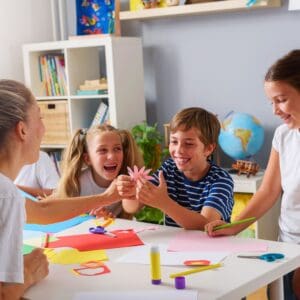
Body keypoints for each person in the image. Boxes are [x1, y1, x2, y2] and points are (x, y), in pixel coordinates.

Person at [0, 79, 123, 299]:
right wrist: (28, 273)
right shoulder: (5, 193)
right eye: (40, 117)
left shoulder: (7, 192)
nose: (44, 128)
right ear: (22, 130)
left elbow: (43, 210)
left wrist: (106, 197)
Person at [205, 50, 300, 299]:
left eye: (281, 99)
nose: (275, 110)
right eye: (271, 102)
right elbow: (268, 191)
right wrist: (232, 227)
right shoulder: (284, 135)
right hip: (287, 246)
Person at [119, 107, 234, 230]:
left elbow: (205, 225)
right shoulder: (168, 169)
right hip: (174, 245)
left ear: (208, 149)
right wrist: (129, 192)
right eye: (174, 142)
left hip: (212, 247)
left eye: (189, 144)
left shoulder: (221, 180)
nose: (179, 150)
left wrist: (164, 203)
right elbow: (132, 207)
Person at [53, 124, 144, 218]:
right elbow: (62, 214)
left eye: (117, 149)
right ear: (88, 159)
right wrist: (93, 220)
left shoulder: (126, 180)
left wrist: (132, 190)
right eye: (103, 150)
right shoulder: (76, 183)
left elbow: (131, 209)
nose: (112, 156)